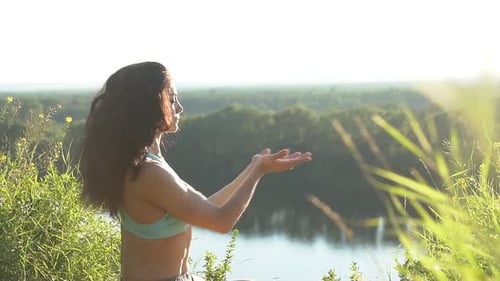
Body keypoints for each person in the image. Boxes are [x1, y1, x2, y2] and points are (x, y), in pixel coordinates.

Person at [79, 61, 312, 281]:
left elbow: (207, 208)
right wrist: (257, 171)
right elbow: (221, 221)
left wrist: (254, 168)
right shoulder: (148, 172)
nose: (179, 107)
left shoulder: (145, 163)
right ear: (148, 105)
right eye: (171, 99)